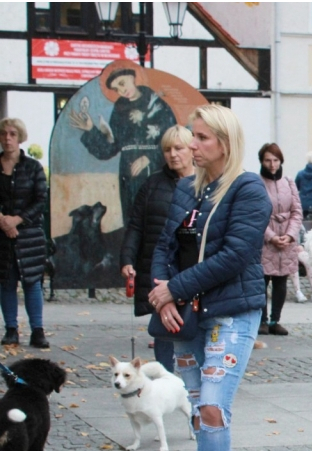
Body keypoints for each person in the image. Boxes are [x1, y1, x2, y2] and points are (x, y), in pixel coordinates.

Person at [151, 104, 272, 451]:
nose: (192, 146)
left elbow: (235, 255)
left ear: (224, 142)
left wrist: (174, 290)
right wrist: (164, 294)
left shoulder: (248, 190)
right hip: (187, 315)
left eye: (201, 138)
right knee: (201, 411)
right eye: (191, 137)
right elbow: (163, 246)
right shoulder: (188, 189)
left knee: (213, 407)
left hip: (231, 312)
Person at [120, 125, 195, 370]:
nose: (173, 154)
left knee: (195, 324)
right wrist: (127, 259)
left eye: (178, 148)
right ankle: (166, 377)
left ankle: (195, 380)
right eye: (167, 149)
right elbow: (135, 226)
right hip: (160, 267)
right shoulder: (152, 185)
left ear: (191, 149)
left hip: (193, 268)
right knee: (163, 325)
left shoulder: (206, 183)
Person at [68, 66, 177, 230]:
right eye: (117, 89)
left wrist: (149, 157)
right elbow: (110, 148)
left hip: (156, 171)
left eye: (122, 83)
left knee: (157, 219)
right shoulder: (119, 110)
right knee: (132, 219)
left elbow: (174, 139)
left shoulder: (158, 104)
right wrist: (91, 130)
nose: (121, 90)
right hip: (128, 173)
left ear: (132, 77)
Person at [0, 118, 48, 349]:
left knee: (32, 283)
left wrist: (17, 220)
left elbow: (41, 199)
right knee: (6, 283)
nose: (7, 138)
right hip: (2, 234)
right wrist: (3, 221)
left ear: (20, 137)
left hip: (29, 235)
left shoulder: (33, 167)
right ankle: (11, 329)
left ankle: (37, 330)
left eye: (12, 134)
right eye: (4, 134)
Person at [258, 143, 302, 336]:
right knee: (262, 280)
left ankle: (276, 320)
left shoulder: (289, 182)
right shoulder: (257, 182)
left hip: (286, 237)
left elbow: (296, 211)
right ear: (262, 161)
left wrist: (290, 235)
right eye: (268, 160)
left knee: (281, 280)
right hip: (266, 238)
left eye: (275, 160)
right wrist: (271, 236)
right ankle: (262, 320)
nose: (272, 164)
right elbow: (255, 214)